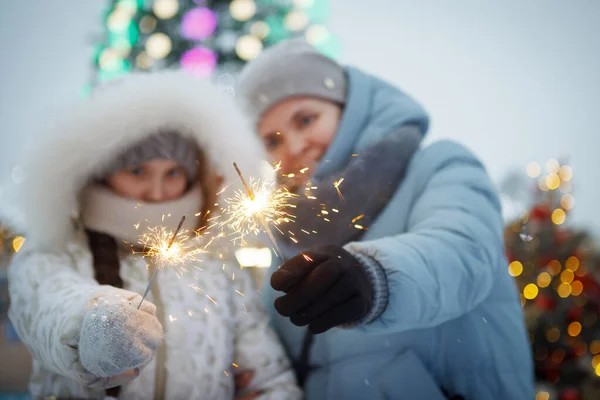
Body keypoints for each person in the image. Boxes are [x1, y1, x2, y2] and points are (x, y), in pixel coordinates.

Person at [236, 39, 534, 399]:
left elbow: (463, 252)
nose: (295, 146)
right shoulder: (285, 231)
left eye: (305, 119)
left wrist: (374, 276)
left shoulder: (438, 165)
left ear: (349, 107)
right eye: (272, 140)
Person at [0, 71, 302, 400]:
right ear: (101, 173)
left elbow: (268, 376)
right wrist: (92, 326)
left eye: (172, 173)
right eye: (137, 171)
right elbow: (49, 310)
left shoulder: (217, 264)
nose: (157, 192)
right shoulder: (57, 251)